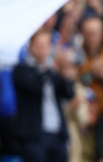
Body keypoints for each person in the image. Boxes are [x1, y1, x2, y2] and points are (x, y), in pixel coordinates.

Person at [13, 29, 76, 162]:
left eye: (46, 46)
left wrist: (66, 74)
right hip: (34, 135)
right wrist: (50, 66)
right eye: (39, 45)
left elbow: (68, 93)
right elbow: (34, 86)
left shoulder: (53, 72)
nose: (43, 50)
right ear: (30, 47)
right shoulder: (21, 70)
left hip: (57, 134)